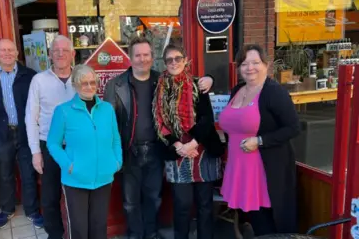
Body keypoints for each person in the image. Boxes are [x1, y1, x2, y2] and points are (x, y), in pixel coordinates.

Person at [103, 36, 214, 239]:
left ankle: (152, 234)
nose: (142, 59)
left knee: (154, 198)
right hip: (129, 151)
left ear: (152, 57)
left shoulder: (162, 80)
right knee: (130, 202)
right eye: (138, 55)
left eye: (146, 55)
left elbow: (190, 85)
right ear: (130, 57)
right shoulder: (115, 85)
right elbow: (108, 123)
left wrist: (209, 78)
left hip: (156, 150)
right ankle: (136, 235)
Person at [218, 44, 300, 236]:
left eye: (255, 62)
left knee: (269, 224)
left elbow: (293, 127)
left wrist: (260, 141)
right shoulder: (237, 89)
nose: (250, 68)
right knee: (255, 220)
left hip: (266, 171)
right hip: (242, 168)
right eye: (244, 63)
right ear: (238, 67)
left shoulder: (274, 92)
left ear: (266, 65)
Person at [152, 44, 223, 239]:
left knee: (205, 207)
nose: (174, 62)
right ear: (165, 63)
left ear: (185, 60)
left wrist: (192, 144)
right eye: (169, 60)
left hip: (203, 152)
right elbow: (159, 122)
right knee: (182, 207)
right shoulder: (159, 89)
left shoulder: (198, 84)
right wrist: (179, 146)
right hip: (177, 154)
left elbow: (207, 119)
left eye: (178, 58)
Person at [47, 64, 122, 239]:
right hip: (76, 179)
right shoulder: (63, 111)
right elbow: (53, 143)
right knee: (79, 229)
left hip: (104, 177)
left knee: (99, 226)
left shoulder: (107, 109)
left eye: (92, 82)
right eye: (83, 83)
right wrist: (68, 165)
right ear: (75, 84)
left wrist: (116, 162)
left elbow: (116, 139)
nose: (89, 87)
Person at [0, 39, 44, 229]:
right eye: (2, 50)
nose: (6, 53)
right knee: (4, 174)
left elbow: (39, 104)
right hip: (1, 135)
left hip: (25, 133)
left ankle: (32, 211)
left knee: (28, 174)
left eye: (10, 50)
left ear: (17, 53)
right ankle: (7, 209)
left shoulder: (30, 76)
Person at [25, 35, 76, 239]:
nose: (61, 54)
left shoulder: (81, 78)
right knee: (49, 197)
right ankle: (55, 235)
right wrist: (36, 152)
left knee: (77, 196)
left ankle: (78, 233)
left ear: (73, 54)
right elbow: (31, 117)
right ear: (50, 55)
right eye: (56, 50)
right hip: (50, 146)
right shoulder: (39, 80)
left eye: (65, 50)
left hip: (77, 146)